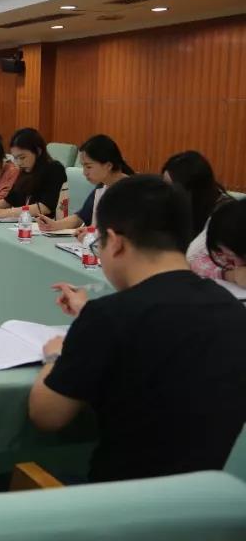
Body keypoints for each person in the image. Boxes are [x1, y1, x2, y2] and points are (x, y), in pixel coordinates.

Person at [28, 175, 246, 482]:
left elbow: (46, 415)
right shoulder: (231, 309)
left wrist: (55, 356)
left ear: (116, 242)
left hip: (124, 499)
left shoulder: (109, 317)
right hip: (213, 498)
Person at [37, 134, 133, 236]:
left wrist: (94, 234)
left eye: (89, 167)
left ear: (108, 165)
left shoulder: (132, 191)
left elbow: (126, 233)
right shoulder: (102, 185)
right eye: (83, 166)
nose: (84, 173)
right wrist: (55, 225)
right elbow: (81, 216)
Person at [161, 151, 234, 279]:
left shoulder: (225, 215)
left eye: (171, 187)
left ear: (193, 190)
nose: (166, 193)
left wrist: (228, 275)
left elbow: (193, 259)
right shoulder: (181, 206)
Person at [0, 127, 66, 220]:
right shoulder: (25, 171)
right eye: (15, 158)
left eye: (22, 157)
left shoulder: (55, 169)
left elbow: (45, 207)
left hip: (42, 224)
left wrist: (2, 213)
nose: (19, 163)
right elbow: (9, 201)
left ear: (38, 151)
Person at [198, 198, 246, 288]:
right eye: (230, 256)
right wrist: (231, 275)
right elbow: (196, 261)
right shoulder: (222, 233)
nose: (237, 264)